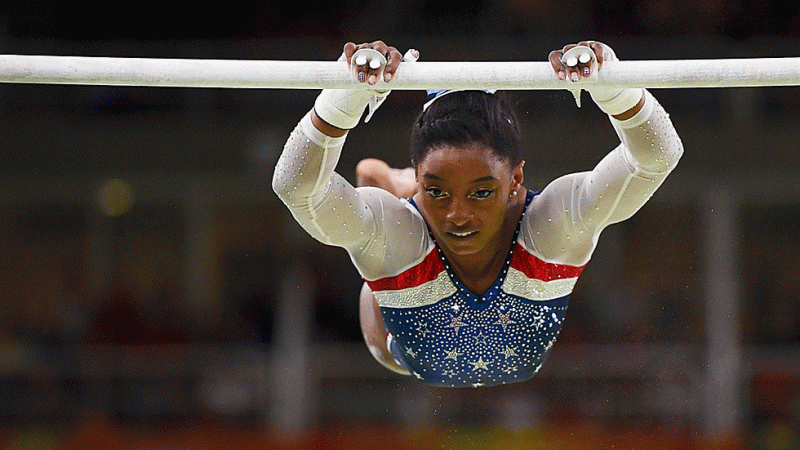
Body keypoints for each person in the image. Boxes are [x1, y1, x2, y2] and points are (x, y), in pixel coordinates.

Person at [272, 40, 683, 388]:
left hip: (404, 253)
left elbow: (658, 158)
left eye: (482, 193)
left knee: (375, 208)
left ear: (516, 177)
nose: (458, 215)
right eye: (437, 191)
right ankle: (391, 183)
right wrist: (346, 95)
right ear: (421, 177)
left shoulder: (553, 225)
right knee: (383, 220)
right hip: (391, 339)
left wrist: (613, 85)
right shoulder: (396, 234)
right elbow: (296, 188)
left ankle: (389, 182)